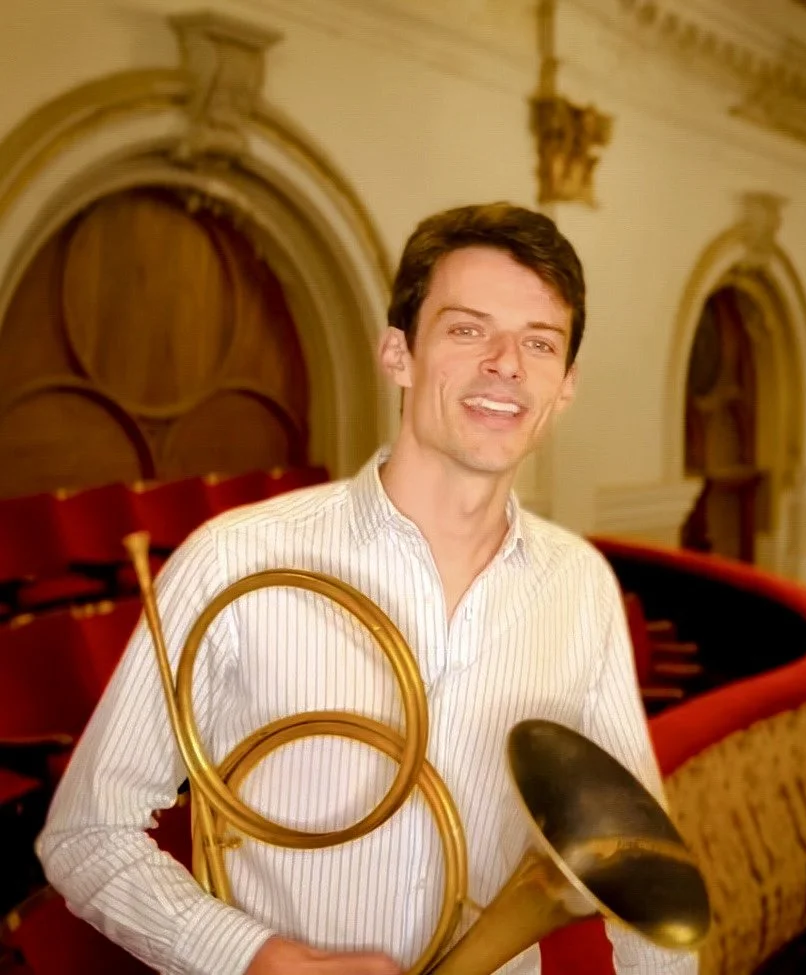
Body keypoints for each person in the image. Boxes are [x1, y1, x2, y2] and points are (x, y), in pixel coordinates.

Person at [37, 203, 695, 975]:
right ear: (398, 354)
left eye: (538, 342)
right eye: (467, 328)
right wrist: (252, 956)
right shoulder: (234, 560)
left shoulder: (578, 585)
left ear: (565, 384)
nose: (506, 364)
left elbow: (631, 858)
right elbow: (86, 834)